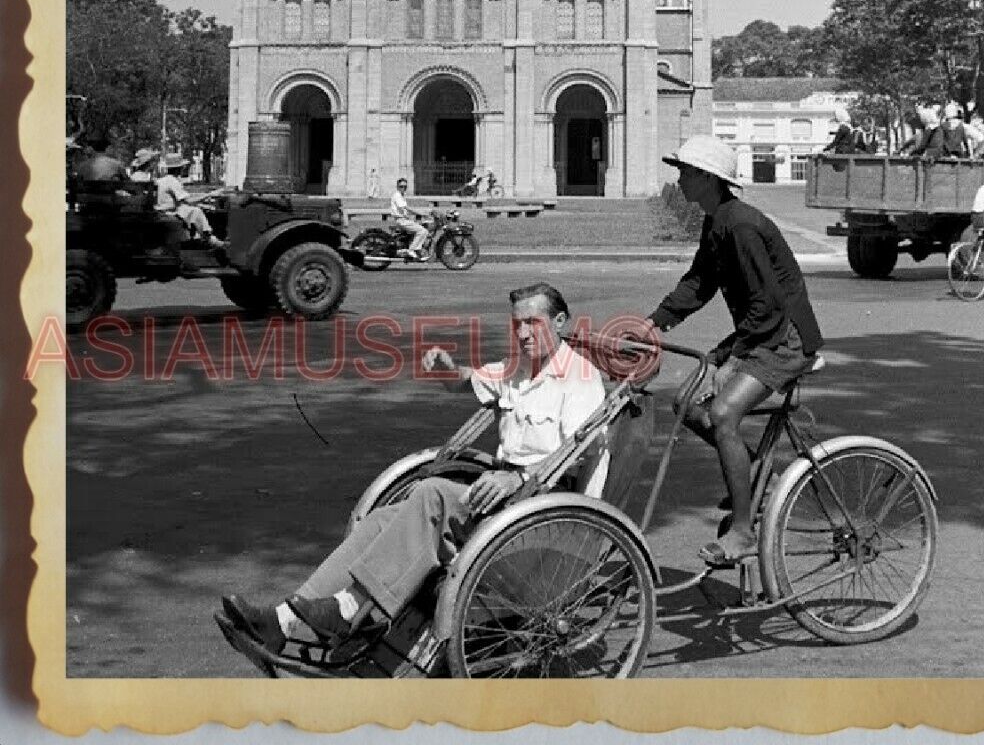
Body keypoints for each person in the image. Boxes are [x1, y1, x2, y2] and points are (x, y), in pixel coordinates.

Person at [219, 281, 607, 655]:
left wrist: (518, 477)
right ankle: (284, 619)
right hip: (501, 497)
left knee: (432, 494)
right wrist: (445, 368)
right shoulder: (518, 367)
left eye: (533, 323)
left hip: (545, 507)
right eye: (517, 323)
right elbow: (466, 381)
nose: (523, 333)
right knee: (385, 518)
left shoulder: (580, 378)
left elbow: (582, 452)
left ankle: (351, 611)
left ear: (559, 322)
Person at [646, 137, 823, 569]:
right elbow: (700, 282)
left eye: (686, 172)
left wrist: (728, 357)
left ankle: (743, 532)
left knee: (723, 413)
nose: (680, 178)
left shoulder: (740, 224)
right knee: (687, 405)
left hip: (784, 338)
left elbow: (769, 304)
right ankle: (760, 476)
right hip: (763, 332)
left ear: (708, 178)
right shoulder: (717, 220)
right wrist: (654, 323)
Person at [155, 157, 224, 250]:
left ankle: (198, 237)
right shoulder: (173, 181)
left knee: (196, 209)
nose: (184, 169)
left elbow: (183, 198)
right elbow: (188, 200)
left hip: (163, 209)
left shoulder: (162, 180)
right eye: (183, 167)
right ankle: (210, 239)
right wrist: (209, 195)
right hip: (169, 211)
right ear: (179, 168)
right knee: (196, 211)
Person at [386, 177, 432, 261]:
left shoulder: (401, 196)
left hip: (403, 219)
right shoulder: (397, 195)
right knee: (423, 231)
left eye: (405, 187)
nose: (403, 188)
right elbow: (406, 208)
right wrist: (421, 213)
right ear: (397, 187)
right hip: (401, 220)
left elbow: (404, 210)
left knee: (419, 227)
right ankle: (412, 250)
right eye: (401, 186)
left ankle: (415, 249)